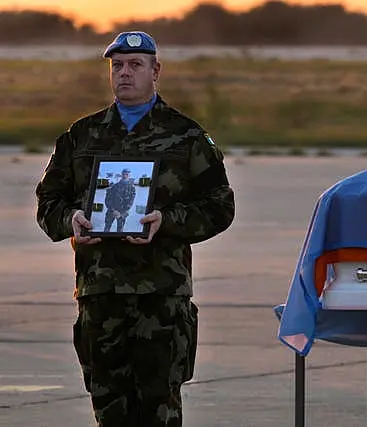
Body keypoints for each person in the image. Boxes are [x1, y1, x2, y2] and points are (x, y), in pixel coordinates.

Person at [35, 31, 235, 427]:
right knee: (109, 410)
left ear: (155, 71)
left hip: (160, 298)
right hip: (100, 295)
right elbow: (48, 201)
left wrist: (168, 221)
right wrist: (70, 220)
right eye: (117, 65)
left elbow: (220, 206)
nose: (124, 74)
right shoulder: (82, 136)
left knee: (159, 409)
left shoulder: (187, 136)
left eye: (135, 65)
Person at [103, 168, 136, 233]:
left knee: (120, 232)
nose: (125, 176)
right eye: (124, 174)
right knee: (106, 229)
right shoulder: (114, 186)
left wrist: (124, 212)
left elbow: (131, 202)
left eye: (127, 174)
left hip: (122, 212)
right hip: (111, 211)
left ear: (129, 175)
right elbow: (107, 199)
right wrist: (113, 210)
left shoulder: (132, 188)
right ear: (122, 175)